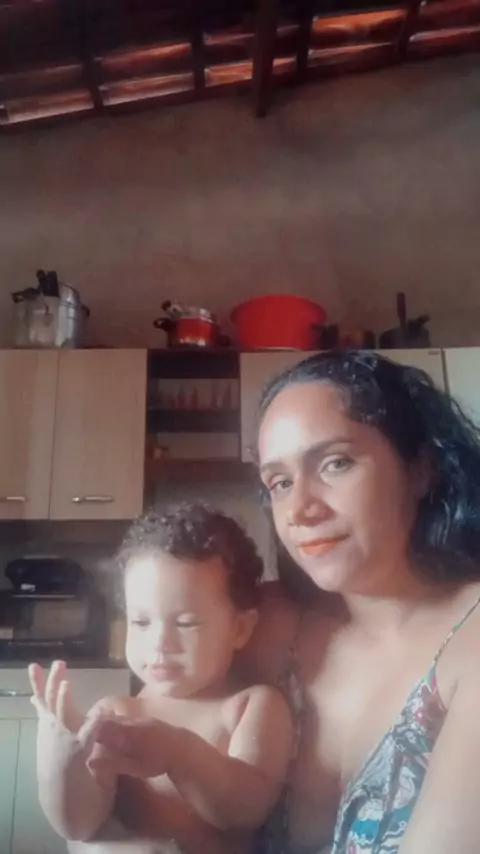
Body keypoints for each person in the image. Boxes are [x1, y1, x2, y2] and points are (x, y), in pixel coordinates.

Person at [246, 349, 480, 853]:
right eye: (280, 483)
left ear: (420, 469)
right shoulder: (266, 625)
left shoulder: (473, 639)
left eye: (336, 463)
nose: (299, 508)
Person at [28, 503, 294, 854]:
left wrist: (178, 752)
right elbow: (79, 825)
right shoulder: (116, 713)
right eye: (140, 622)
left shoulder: (251, 706)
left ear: (240, 628)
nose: (160, 643)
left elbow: (245, 811)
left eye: (185, 623)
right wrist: (60, 764)